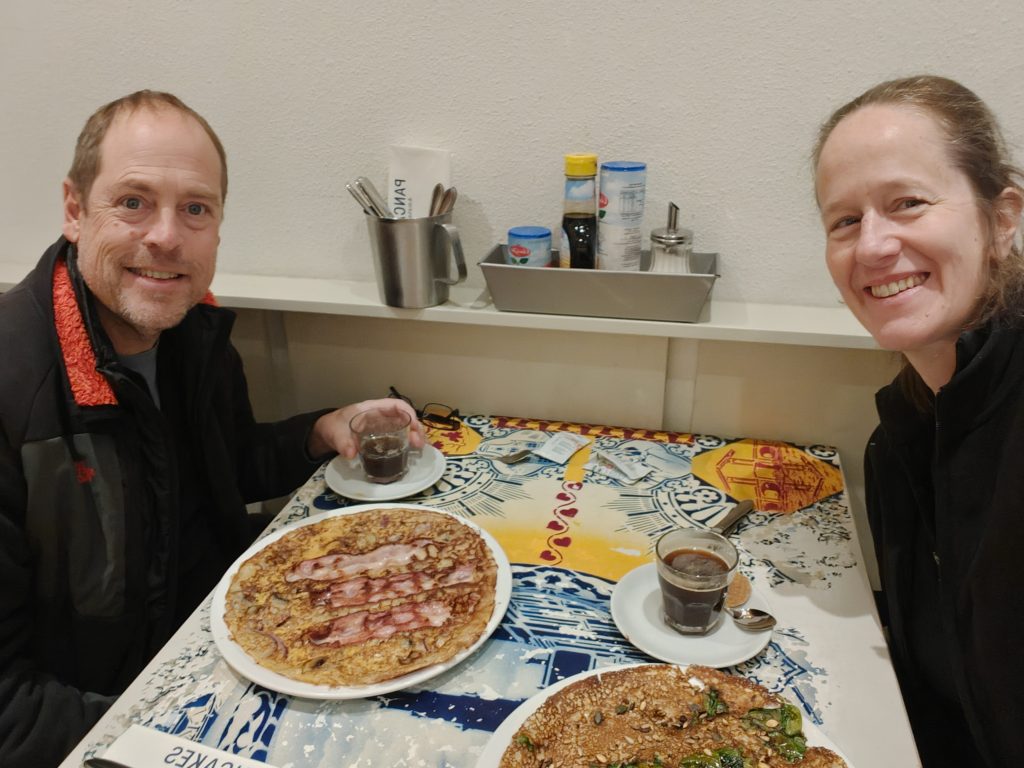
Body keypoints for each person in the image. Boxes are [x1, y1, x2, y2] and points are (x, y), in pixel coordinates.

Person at [0, 90, 423, 767]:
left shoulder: (193, 333)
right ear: (75, 210)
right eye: (133, 202)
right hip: (110, 721)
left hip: (233, 646)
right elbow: (9, 710)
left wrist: (321, 430)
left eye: (195, 208)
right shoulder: (13, 383)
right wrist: (174, 734)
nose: (167, 237)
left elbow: (226, 468)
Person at [813, 75, 1024, 766]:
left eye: (908, 203)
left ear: (1003, 219)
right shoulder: (901, 435)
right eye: (845, 221)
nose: (872, 247)